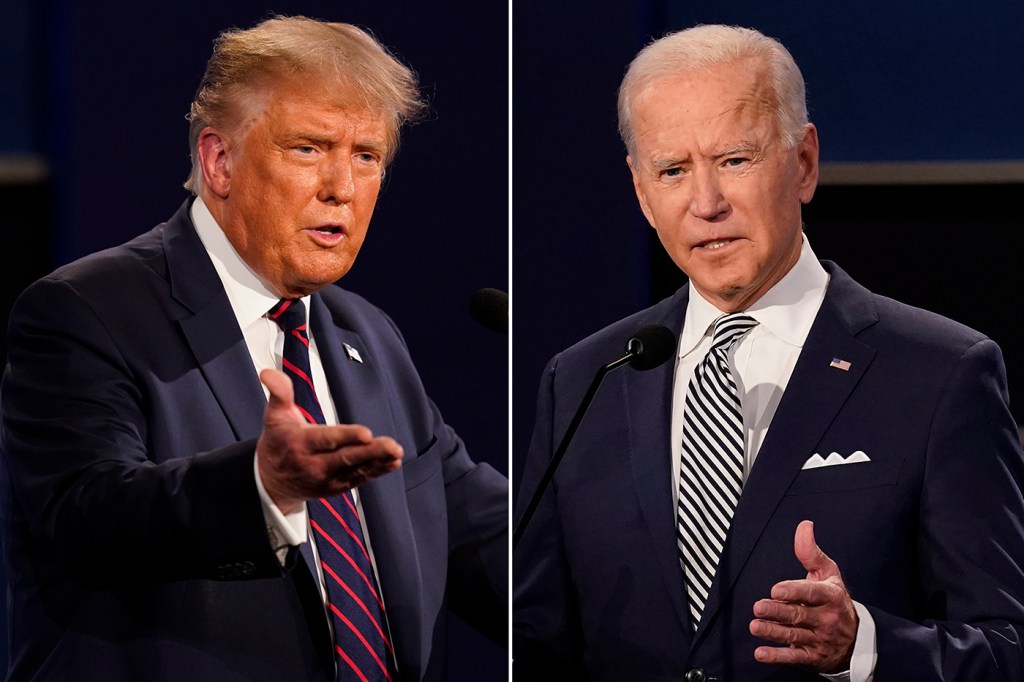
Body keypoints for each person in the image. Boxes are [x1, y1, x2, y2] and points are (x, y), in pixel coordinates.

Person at [0, 15, 507, 682]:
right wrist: (261, 487)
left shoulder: (367, 337)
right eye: (308, 148)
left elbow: (488, 542)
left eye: (367, 156)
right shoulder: (89, 310)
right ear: (219, 160)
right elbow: (88, 517)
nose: (343, 188)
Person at [513, 23, 1024, 681]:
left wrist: (861, 646)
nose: (707, 203)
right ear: (642, 192)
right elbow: (538, 639)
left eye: (735, 160)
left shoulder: (942, 373)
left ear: (804, 162)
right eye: (673, 170)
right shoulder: (585, 378)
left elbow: (1007, 649)